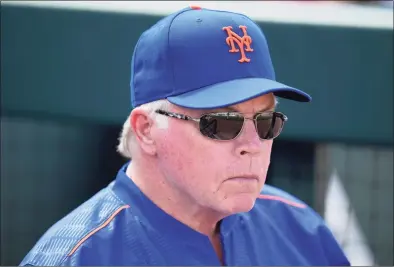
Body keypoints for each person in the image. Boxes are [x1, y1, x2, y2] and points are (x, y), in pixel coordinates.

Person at [20, 6, 350, 266]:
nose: (252, 145)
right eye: (222, 123)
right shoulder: (76, 258)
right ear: (147, 129)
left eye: (266, 122)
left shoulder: (299, 228)